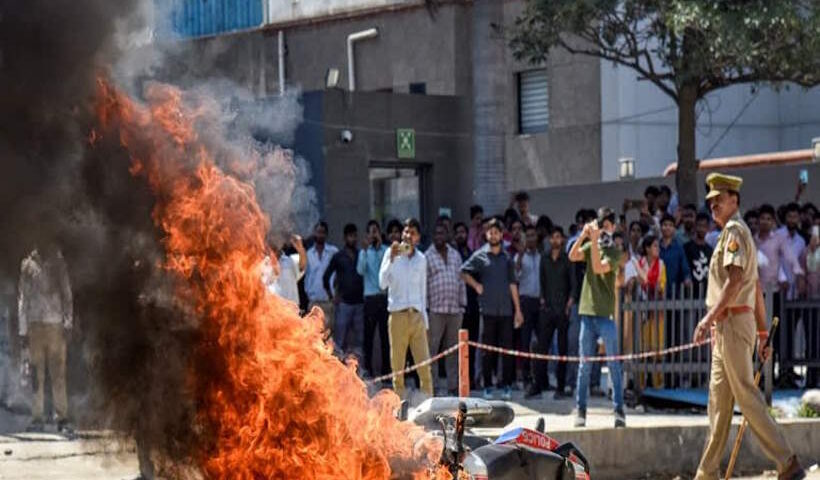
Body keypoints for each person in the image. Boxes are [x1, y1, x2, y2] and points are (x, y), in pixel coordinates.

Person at [692, 173, 805, 480]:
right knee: (719, 403)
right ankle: (707, 473)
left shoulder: (734, 232)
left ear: (734, 200)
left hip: (730, 323)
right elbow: (753, 287)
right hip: (729, 324)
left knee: (744, 394)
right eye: (711, 202)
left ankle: (787, 462)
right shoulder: (738, 234)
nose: (713, 206)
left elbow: (735, 282)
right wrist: (763, 331)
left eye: (719, 200)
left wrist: (709, 318)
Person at [568, 207, 625, 428]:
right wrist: (583, 235)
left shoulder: (614, 252)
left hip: (605, 315)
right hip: (587, 314)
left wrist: (593, 241)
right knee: (584, 366)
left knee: (613, 364)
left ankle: (619, 410)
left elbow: (599, 267)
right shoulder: (591, 243)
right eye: (602, 225)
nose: (605, 230)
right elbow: (572, 256)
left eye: (609, 225)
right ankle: (580, 410)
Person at [461, 218, 524, 400]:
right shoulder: (480, 255)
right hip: (487, 310)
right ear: (486, 234)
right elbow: (463, 271)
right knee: (487, 350)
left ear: (501, 235)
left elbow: (513, 284)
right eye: (490, 232)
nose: (493, 235)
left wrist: (518, 310)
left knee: (506, 350)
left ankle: (506, 385)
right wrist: (476, 285)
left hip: (505, 310)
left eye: (496, 232)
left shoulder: (507, 258)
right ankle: (487, 386)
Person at [18, 246, 73, 432]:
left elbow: (67, 294)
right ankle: (37, 418)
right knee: (36, 376)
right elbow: (22, 299)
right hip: (35, 326)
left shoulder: (58, 263)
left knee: (58, 374)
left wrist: (67, 323)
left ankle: (62, 418)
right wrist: (23, 331)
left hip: (55, 325)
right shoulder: (27, 265)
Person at [379, 218, 432, 398]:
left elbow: (423, 291)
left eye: (413, 233)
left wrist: (425, 322)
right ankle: (398, 406)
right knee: (398, 367)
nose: (408, 236)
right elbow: (382, 283)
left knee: (424, 365)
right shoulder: (390, 254)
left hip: (416, 316)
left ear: (418, 238)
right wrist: (392, 259)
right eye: (406, 232)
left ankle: (428, 404)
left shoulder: (421, 259)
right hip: (398, 315)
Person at [527, 226, 575, 399]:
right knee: (542, 349)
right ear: (549, 240)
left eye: (558, 237)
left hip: (562, 310)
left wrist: (569, 304)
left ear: (562, 240)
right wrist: (542, 301)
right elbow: (542, 282)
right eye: (552, 237)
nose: (555, 240)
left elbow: (573, 285)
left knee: (562, 350)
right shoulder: (544, 259)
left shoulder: (567, 259)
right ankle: (537, 385)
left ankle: (560, 388)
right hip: (547, 310)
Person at [426, 222, 466, 395]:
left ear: (447, 235)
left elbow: (461, 279)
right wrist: (426, 309)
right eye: (436, 234)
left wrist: (462, 304)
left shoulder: (456, 255)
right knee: (432, 351)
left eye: (442, 233)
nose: (439, 237)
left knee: (453, 350)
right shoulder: (427, 256)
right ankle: (433, 386)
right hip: (435, 309)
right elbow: (424, 284)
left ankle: (452, 386)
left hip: (454, 310)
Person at [323, 224, 365, 363]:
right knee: (340, 341)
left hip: (359, 304)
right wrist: (331, 297)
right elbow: (326, 277)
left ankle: (358, 371)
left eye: (355, 236)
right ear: (345, 238)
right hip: (344, 305)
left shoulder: (361, 254)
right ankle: (338, 369)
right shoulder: (338, 257)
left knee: (359, 341)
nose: (353, 239)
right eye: (350, 236)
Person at [633, 234, 667, 388]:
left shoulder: (661, 264)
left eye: (657, 246)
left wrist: (654, 285)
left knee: (657, 350)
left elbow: (662, 285)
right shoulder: (638, 264)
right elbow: (635, 284)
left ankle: (657, 383)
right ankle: (640, 384)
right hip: (641, 312)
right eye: (654, 246)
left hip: (657, 312)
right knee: (642, 349)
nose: (657, 249)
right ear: (647, 248)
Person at [357, 220, 389, 379]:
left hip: (383, 298)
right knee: (368, 337)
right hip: (370, 299)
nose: (373, 234)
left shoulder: (386, 251)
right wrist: (364, 251)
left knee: (385, 336)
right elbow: (360, 270)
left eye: (376, 231)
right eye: (371, 232)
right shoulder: (364, 252)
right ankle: (368, 370)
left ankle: (386, 371)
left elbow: (388, 269)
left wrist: (380, 246)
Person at [454, 221, 481, 388]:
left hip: (472, 307)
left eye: (463, 232)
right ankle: (459, 381)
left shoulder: (473, 256)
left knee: (471, 347)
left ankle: (470, 379)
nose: (461, 235)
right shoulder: (452, 255)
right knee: (456, 348)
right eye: (458, 232)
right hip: (457, 307)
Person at [514, 225, 541, 389]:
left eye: (533, 236)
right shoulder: (519, 257)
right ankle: (525, 377)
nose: (530, 239)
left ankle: (539, 378)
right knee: (524, 341)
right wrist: (521, 254)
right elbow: (515, 275)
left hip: (539, 301)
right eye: (528, 236)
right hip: (524, 301)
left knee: (540, 342)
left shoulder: (541, 257)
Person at [305, 221, 339, 331]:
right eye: (318, 232)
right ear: (314, 233)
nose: (320, 235)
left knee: (328, 337)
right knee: (313, 336)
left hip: (328, 302)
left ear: (326, 234)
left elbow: (339, 275)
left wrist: (336, 294)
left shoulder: (333, 252)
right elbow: (306, 275)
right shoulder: (308, 254)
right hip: (313, 302)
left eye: (323, 232)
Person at [261, 234, 307, 306]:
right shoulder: (262, 265)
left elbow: (302, 265)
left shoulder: (291, 261)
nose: (274, 243)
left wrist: (300, 248)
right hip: (271, 309)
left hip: (290, 309)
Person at [659, 214, 692, 296]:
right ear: (660, 227)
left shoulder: (679, 249)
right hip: (657, 291)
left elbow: (685, 268)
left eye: (670, 225)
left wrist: (687, 278)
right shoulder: (655, 247)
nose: (667, 227)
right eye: (665, 225)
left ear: (674, 229)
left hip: (675, 292)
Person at [685, 213, 714, 298]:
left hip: (706, 293)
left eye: (704, 226)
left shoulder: (710, 250)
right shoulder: (687, 248)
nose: (701, 229)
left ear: (708, 228)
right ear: (695, 226)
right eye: (699, 226)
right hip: (689, 293)